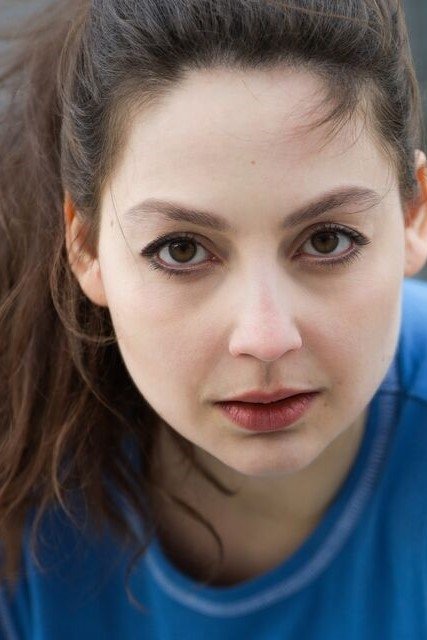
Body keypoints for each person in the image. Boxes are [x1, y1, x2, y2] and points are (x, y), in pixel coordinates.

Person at [0, 0, 427, 637]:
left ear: (413, 214)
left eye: (328, 240)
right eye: (181, 250)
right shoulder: (18, 475)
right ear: (85, 247)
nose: (265, 338)